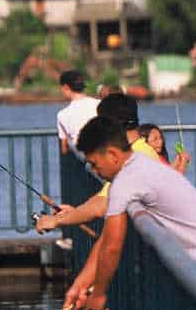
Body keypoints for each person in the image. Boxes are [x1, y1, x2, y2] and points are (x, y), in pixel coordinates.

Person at [64, 116, 196, 310]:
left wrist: (98, 295)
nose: (94, 171)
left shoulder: (126, 181)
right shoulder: (143, 162)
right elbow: (107, 239)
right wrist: (81, 284)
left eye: (94, 164)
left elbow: (112, 245)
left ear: (112, 155)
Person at [36, 93, 160, 233]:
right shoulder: (137, 151)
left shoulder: (136, 159)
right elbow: (103, 197)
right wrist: (74, 213)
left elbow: (101, 206)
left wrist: (57, 220)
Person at [56, 70, 99, 157]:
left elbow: (64, 149)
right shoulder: (100, 104)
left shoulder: (62, 114)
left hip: (86, 159)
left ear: (65, 87)